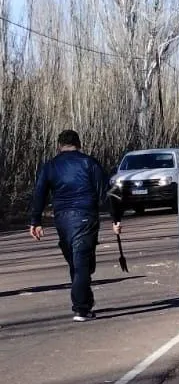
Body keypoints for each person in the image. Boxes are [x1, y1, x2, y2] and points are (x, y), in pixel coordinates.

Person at [29, 130, 123, 322]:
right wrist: (116, 217)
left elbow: (39, 193)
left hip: (62, 219)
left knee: (76, 261)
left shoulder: (50, 166)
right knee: (81, 263)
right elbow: (108, 190)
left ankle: (83, 303)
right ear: (79, 144)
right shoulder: (89, 162)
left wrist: (35, 221)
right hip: (85, 216)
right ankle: (81, 308)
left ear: (59, 145)